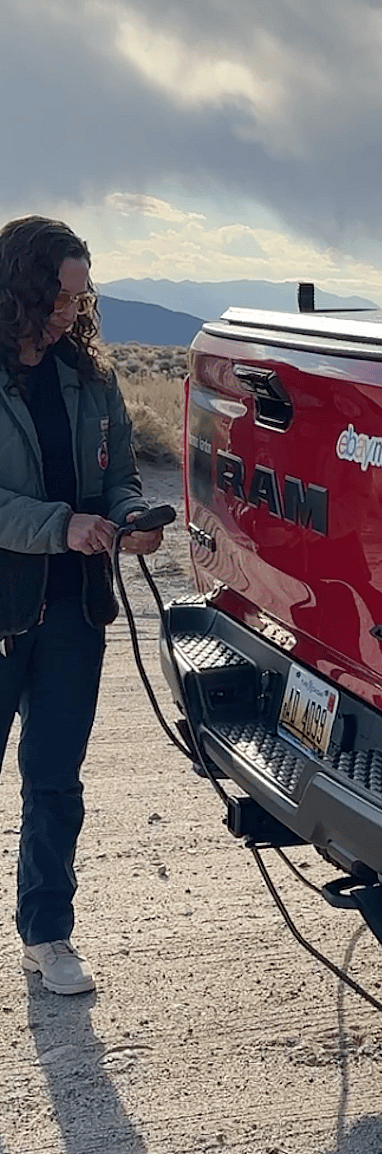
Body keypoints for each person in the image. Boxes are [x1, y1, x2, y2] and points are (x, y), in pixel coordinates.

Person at [0, 215, 163, 995]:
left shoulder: (92, 375)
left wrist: (128, 518)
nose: (69, 313)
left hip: (74, 612)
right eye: (56, 297)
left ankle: (48, 935)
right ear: (18, 287)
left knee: (55, 780)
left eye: (79, 299)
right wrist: (58, 526)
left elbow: (121, 473)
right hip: (2, 610)